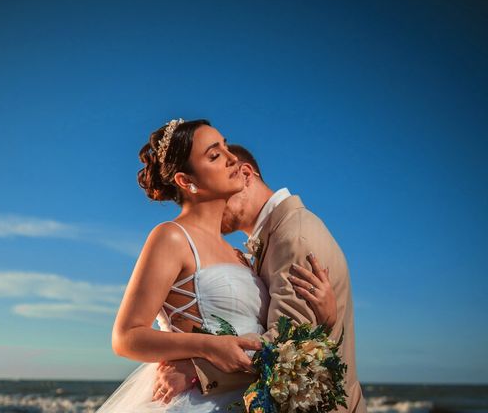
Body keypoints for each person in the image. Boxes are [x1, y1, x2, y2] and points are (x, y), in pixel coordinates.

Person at [97, 119, 336, 413]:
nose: (232, 158)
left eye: (225, 146)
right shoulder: (171, 237)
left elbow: (274, 336)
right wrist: (207, 347)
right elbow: (126, 337)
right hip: (196, 401)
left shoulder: (239, 254)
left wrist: (324, 321)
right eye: (214, 155)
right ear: (186, 181)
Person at [152, 144, 367, 413]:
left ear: (244, 174)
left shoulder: (294, 237)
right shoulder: (276, 237)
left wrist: (197, 368)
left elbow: (289, 343)